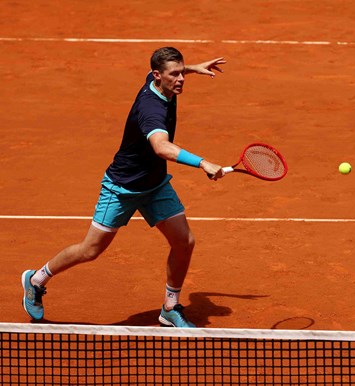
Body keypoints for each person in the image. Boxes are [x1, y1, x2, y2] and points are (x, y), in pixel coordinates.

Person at [22, 47, 228, 327]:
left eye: (182, 73)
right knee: (90, 250)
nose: (181, 79)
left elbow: (169, 72)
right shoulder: (151, 109)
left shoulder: (157, 81)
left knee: (184, 242)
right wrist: (202, 163)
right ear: (158, 76)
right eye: (175, 75)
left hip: (154, 185)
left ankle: (170, 306)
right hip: (122, 187)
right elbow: (161, 147)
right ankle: (36, 280)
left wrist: (193, 67)